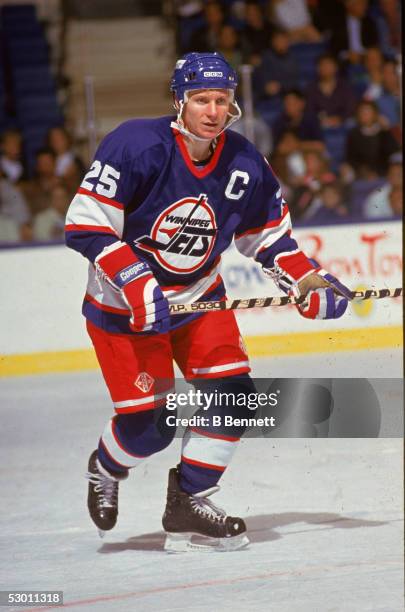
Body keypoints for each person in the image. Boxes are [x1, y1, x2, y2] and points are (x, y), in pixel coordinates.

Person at [65, 52, 351, 552]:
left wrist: (306, 281)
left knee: (236, 399)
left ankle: (189, 499)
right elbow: (84, 223)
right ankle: (106, 465)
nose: (213, 111)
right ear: (179, 101)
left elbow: (270, 240)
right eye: (202, 99)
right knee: (150, 431)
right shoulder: (135, 144)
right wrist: (135, 282)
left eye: (222, 100)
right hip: (126, 312)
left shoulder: (244, 161)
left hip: (200, 304)